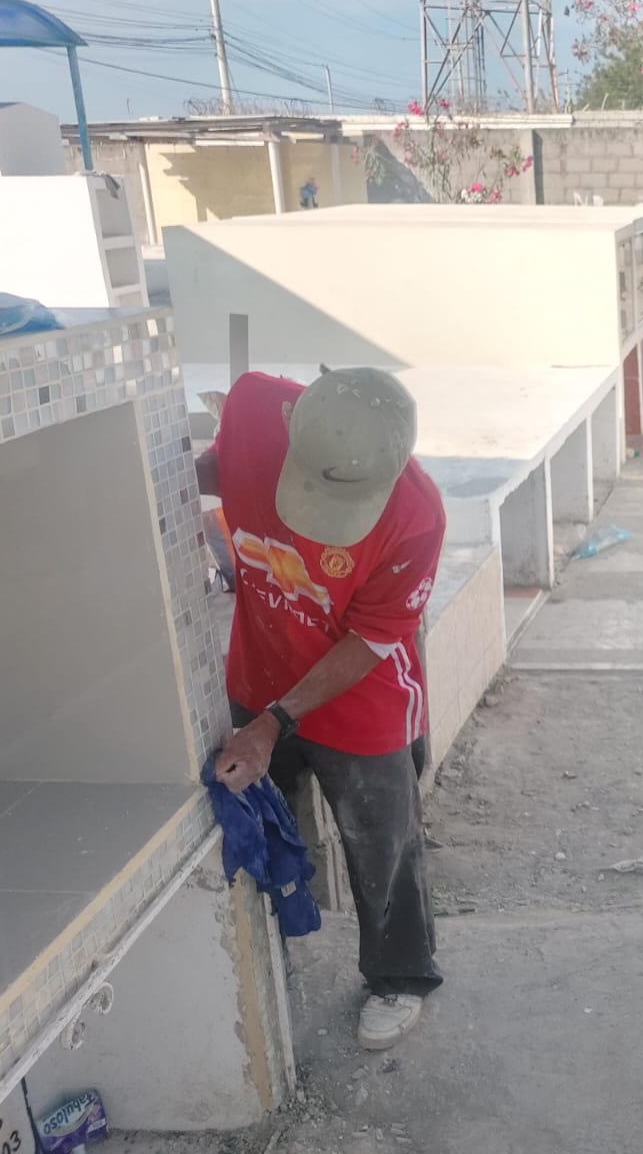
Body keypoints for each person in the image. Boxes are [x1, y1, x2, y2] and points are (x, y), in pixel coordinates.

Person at [199, 366, 447, 1051]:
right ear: (288, 425)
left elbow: (372, 638)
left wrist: (273, 723)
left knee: (382, 843)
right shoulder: (253, 405)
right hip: (260, 670)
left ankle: (400, 976)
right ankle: (271, 958)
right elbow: (212, 469)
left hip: (362, 698)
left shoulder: (417, 515)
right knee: (256, 826)